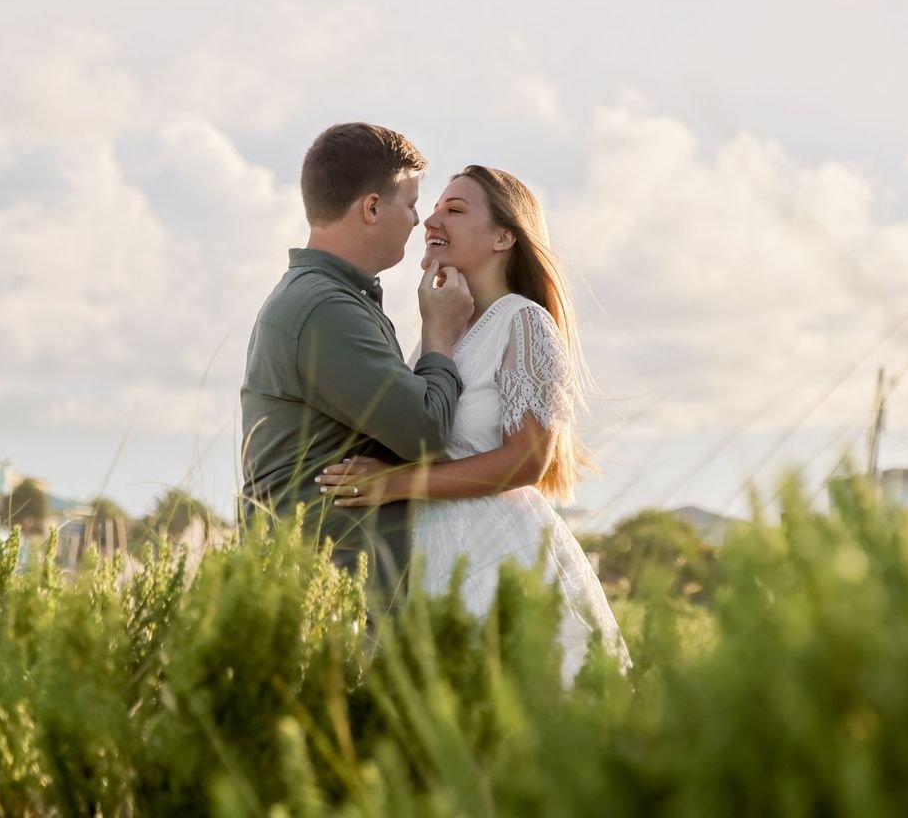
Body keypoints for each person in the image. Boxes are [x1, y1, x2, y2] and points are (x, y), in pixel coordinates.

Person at [315, 165, 629, 685]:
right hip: (428, 554)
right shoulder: (442, 326)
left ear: (505, 236)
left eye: (454, 210)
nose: (432, 219)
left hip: (496, 552)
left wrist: (392, 484)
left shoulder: (524, 321)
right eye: (434, 208)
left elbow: (529, 460)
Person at [239, 122, 474, 605]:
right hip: (326, 599)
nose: (416, 221)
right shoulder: (326, 309)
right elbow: (425, 431)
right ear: (371, 207)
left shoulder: (329, 299)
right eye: (410, 204)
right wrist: (439, 333)